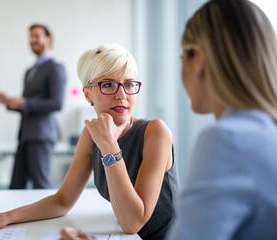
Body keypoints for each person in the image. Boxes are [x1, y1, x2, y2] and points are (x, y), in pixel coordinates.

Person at [59, 0, 277, 239]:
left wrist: (110, 150)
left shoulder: (225, 141)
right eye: (109, 85)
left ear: (199, 61)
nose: (121, 94)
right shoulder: (264, 133)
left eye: (182, 56)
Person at [0, 44, 179, 239]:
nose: (122, 95)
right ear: (87, 94)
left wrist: (109, 146)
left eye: (129, 84)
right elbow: (62, 200)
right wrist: (6, 216)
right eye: (108, 84)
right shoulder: (90, 135)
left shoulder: (155, 132)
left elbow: (132, 223)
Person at [0, 24, 66, 189]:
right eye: (31, 37)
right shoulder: (30, 71)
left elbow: (57, 103)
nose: (32, 40)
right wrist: (12, 103)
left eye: (37, 36)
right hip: (25, 135)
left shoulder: (55, 68)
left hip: (41, 135)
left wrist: (25, 102)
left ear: (48, 39)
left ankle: (48, 216)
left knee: (40, 186)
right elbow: (28, 103)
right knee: (16, 186)